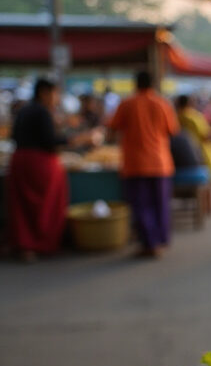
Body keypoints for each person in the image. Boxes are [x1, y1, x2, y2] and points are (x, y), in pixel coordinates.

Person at [7, 78, 92, 260]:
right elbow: (50, 141)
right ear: (44, 93)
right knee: (45, 206)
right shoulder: (42, 112)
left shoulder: (24, 111)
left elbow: (14, 136)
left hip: (19, 161)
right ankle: (40, 244)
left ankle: (25, 246)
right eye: (55, 93)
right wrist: (79, 139)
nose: (57, 98)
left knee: (23, 208)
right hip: (39, 164)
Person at [109, 70, 179, 258]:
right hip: (161, 163)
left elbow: (113, 128)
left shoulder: (127, 104)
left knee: (142, 205)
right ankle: (160, 241)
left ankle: (149, 243)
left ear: (136, 84)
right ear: (153, 84)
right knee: (160, 205)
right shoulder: (163, 104)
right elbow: (172, 130)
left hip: (136, 164)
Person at [175, 95, 211, 186]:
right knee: (208, 184)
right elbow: (207, 135)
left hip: (186, 152)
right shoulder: (194, 116)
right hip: (203, 151)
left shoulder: (177, 116)